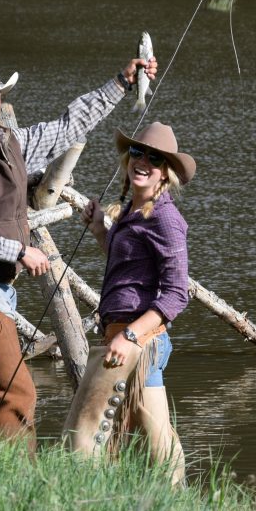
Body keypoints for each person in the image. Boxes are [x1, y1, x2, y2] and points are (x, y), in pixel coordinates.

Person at [0, 51, 157, 450]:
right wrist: (18, 251)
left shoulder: (12, 144)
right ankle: (19, 485)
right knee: (17, 394)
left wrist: (122, 82)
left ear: (1, 97)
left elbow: (70, 124)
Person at [65, 121, 195, 483]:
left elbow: (174, 294)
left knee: (112, 434)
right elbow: (128, 267)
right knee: (139, 434)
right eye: (137, 152)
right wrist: (101, 231)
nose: (143, 161)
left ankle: (176, 506)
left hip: (141, 342)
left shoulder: (167, 220)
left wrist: (131, 337)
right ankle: (150, 501)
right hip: (124, 336)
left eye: (155, 158)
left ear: (166, 173)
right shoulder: (133, 212)